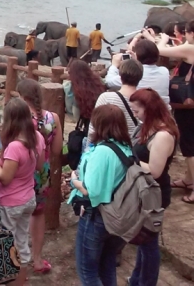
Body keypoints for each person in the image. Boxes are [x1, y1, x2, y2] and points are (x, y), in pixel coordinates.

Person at [68, 104, 132, 285]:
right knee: (107, 265)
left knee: (87, 271)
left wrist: (74, 181)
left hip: (96, 216)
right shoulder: (125, 147)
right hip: (118, 216)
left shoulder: (102, 151)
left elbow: (92, 191)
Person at [0, 98, 45, 286]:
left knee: (6, 248)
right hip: (28, 198)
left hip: (10, 202)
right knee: (21, 244)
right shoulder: (37, 138)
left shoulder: (14, 147)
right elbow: (40, 166)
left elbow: (5, 177)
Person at [128, 88, 178, 285]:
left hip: (154, 193)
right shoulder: (146, 126)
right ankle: (137, 279)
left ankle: (146, 281)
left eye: (137, 111)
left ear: (149, 109)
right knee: (143, 240)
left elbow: (155, 170)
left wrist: (128, 158)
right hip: (142, 191)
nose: (134, 114)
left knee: (148, 243)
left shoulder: (163, 135)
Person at [15, 79, 62, 274]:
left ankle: (16, 261)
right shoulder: (54, 118)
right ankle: (37, 259)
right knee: (38, 213)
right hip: (42, 174)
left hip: (20, 174)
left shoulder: (19, 119)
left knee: (15, 217)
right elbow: (58, 149)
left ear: (23, 98)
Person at [151, 21, 194, 199]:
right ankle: (188, 179)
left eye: (185, 33)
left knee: (190, 147)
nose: (184, 36)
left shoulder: (191, 48)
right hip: (190, 103)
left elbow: (159, 51)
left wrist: (161, 40)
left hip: (188, 106)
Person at [107, 34, 170, 104]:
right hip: (162, 111)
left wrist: (114, 65)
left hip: (141, 110)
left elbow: (109, 82)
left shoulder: (136, 73)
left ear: (136, 55)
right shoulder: (164, 71)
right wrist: (136, 60)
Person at [93, 59, 144, 144]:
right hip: (133, 148)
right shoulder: (145, 100)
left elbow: (93, 128)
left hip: (109, 148)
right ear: (140, 77)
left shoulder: (106, 97)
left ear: (120, 76)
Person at [65, 57, 106, 134]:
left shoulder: (71, 87)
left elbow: (71, 111)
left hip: (84, 118)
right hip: (100, 116)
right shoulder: (98, 82)